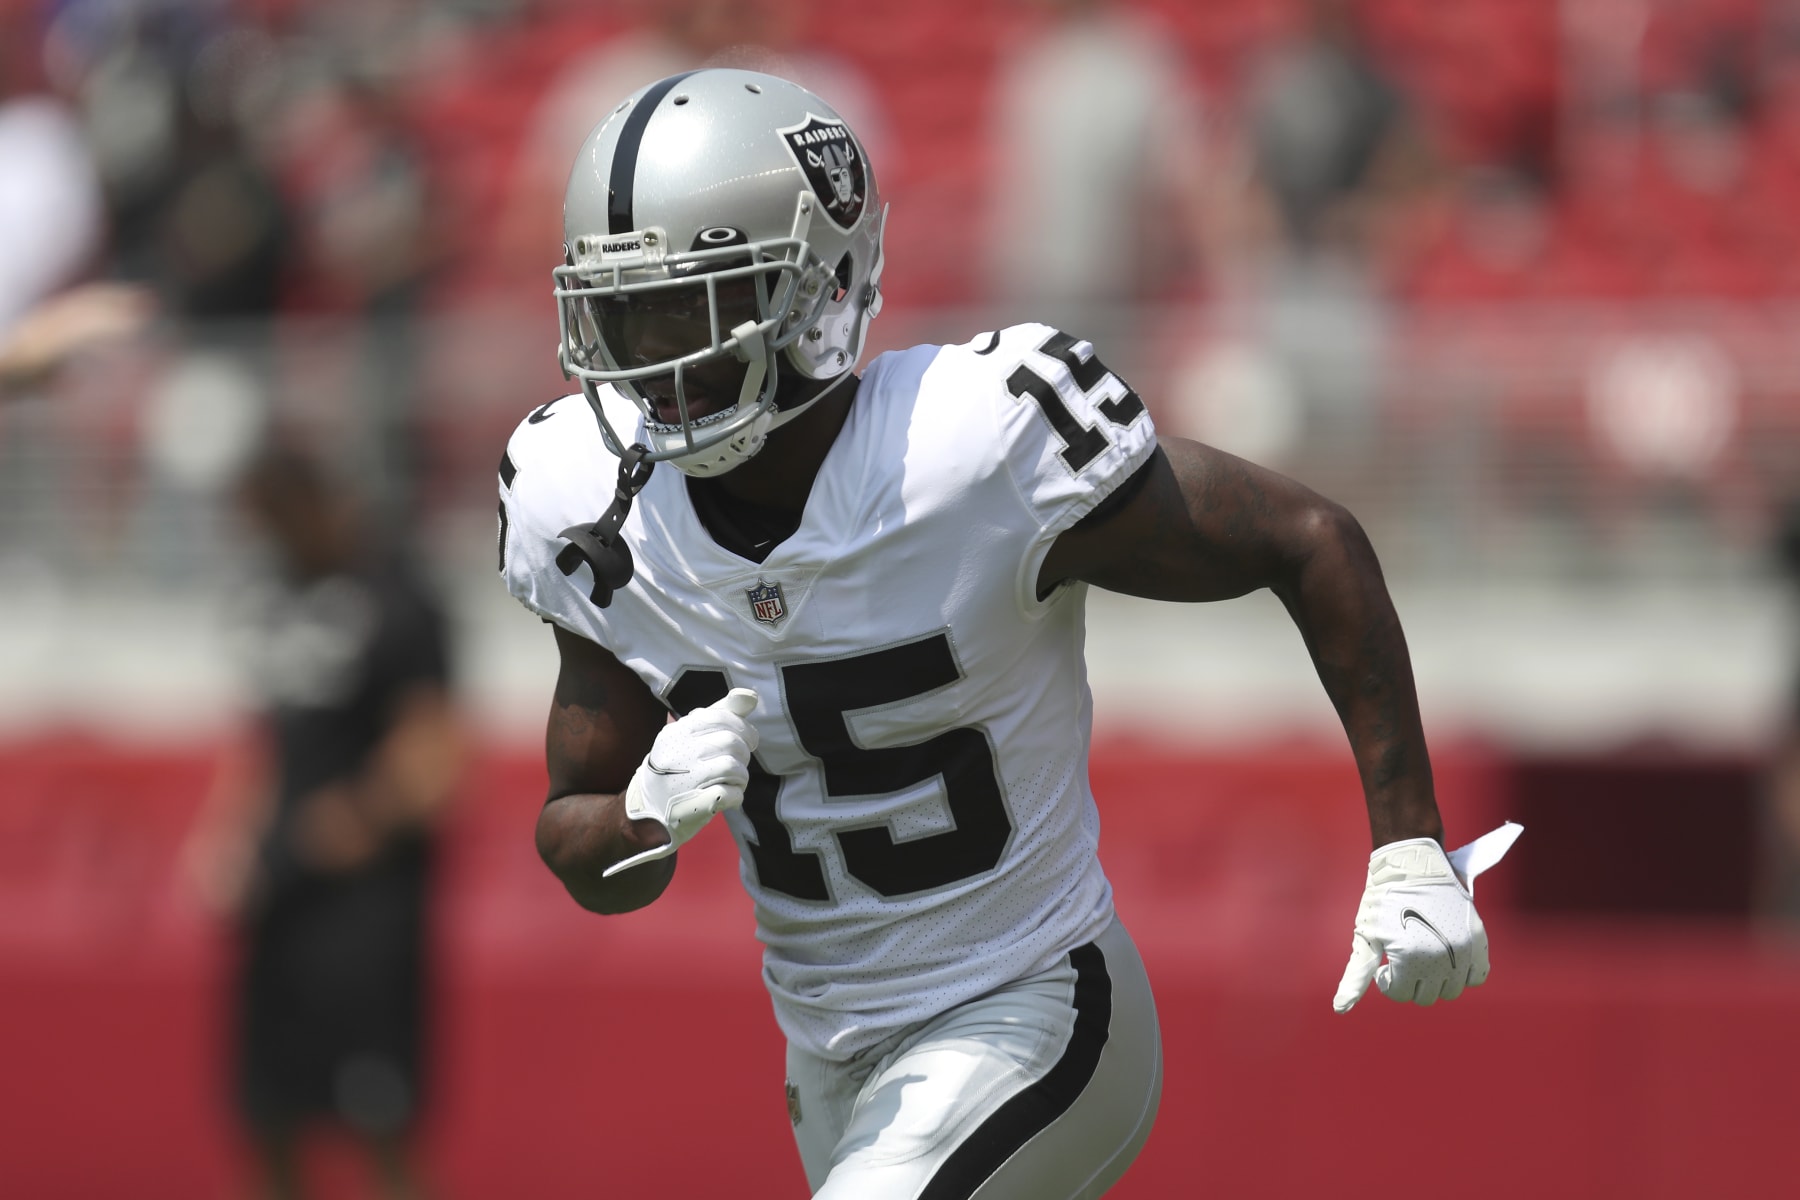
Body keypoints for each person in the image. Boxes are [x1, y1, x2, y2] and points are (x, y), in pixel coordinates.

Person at [497, 70, 1516, 1199]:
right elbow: (580, 845)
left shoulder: (973, 447)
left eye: (685, 311)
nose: (651, 366)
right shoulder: (582, 497)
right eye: (619, 316)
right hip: (833, 1065)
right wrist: (640, 818)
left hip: (1039, 1008)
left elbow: (1311, 540)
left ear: (813, 289)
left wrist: (1410, 841)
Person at [185, 442, 461, 1200]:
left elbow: (432, 762)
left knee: (381, 1125)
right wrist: (231, 843)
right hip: (280, 906)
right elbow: (265, 745)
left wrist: (342, 824)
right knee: (268, 1118)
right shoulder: (273, 598)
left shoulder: (398, 596)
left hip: (366, 912)